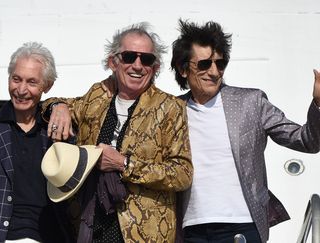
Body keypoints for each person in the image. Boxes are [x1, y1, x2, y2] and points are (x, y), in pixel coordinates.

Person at [170, 19, 320, 243]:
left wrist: (318, 104)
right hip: (190, 228)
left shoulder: (251, 102)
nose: (214, 72)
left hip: (242, 225)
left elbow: (307, 141)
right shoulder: (171, 110)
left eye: (220, 64)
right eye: (204, 64)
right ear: (183, 69)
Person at [43, 22, 193, 242]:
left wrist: (124, 164)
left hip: (145, 233)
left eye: (147, 59)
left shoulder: (170, 108)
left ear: (156, 67)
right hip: (91, 225)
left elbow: (182, 174)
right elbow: (53, 103)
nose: (138, 65)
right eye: (129, 57)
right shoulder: (97, 95)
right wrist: (58, 107)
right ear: (113, 62)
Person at [0, 42, 73, 243]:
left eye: (32, 82)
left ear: (47, 86)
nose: (21, 90)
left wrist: (60, 105)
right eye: (16, 79)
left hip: (50, 236)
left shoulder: (58, 130)